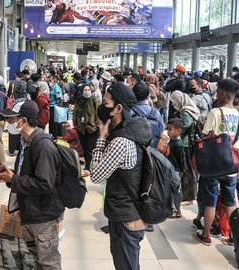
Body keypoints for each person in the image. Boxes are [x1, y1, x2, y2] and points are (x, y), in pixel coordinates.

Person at [0, 99, 64, 270]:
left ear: (23, 121)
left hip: (44, 216)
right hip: (31, 213)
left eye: (11, 119)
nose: (7, 123)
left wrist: (14, 179)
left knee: (49, 263)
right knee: (38, 261)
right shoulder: (26, 143)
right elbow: (27, 176)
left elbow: (44, 184)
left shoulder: (42, 145)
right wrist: (8, 175)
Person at [90, 82, 150, 270]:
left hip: (126, 218)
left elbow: (96, 175)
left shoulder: (121, 142)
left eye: (106, 103)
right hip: (130, 212)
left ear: (118, 108)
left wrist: (101, 139)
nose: (102, 107)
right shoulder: (134, 129)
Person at [195, 79, 239, 246]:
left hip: (214, 165)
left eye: (217, 92)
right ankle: (231, 236)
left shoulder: (216, 113)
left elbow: (206, 136)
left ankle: (207, 235)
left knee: (211, 200)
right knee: (230, 201)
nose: (216, 95)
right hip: (232, 165)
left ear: (223, 93)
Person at [169, 91, 200, 206]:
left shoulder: (186, 113)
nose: (173, 105)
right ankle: (188, 196)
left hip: (186, 145)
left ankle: (189, 197)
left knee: (187, 170)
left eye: (174, 102)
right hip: (188, 144)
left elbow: (183, 128)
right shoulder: (190, 110)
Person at [157, 118, 186, 217]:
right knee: (172, 191)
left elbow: (181, 160)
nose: (168, 131)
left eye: (170, 129)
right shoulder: (172, 142)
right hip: (170, 170)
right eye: (168, 129)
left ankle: (176, 211)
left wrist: (182, 171)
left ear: (178, 131)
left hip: (176, 171)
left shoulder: (178, 144)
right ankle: (176, 210)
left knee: (175, 192)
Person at [73, 84, 101, 175]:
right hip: (82, 129)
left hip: (92, 128)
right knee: (84, 148)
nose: (87, 91)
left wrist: (97, 125)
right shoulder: (79, 101)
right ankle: (89, 165)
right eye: (85, 90)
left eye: (89, 89)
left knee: (90, 148)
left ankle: (89, 167)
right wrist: (76, 124)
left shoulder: (95, 100)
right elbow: (75, 113)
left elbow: (100, 113)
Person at [131, 82, 165, 148]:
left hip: (134, 148)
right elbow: (161, 129)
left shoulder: (128, 111)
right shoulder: (155, 113)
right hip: (150, 149)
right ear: (147, 97)